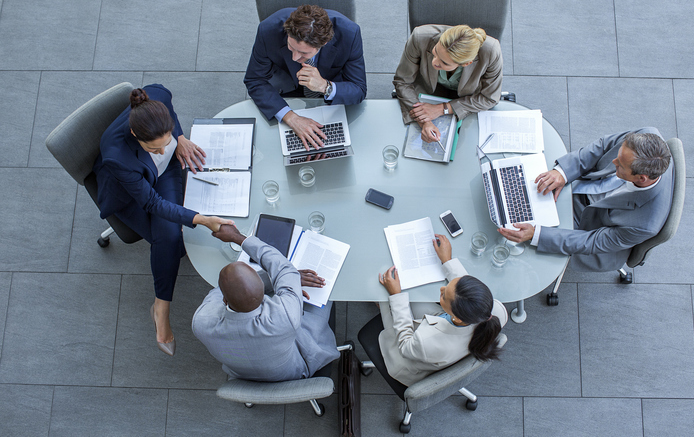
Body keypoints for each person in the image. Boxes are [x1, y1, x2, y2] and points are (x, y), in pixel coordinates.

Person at [93, 84, 234, 356]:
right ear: (136, 135)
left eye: (165, 142)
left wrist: (178, 139)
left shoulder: (157, 97)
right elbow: (151, 203)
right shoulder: (117, 156)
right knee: (170, 239)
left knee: (174, 240)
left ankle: (160, 303)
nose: (161, 151)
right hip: (130, 194)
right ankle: (161, 308)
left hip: (164, 173)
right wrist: (202, 220)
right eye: (154, 148)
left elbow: (168, 110)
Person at [499, 127, 674, 272]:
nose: (613, 162)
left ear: (641, 178)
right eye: (618, 156)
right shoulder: (646, 136)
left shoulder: (644, 224)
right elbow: (604, 146)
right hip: (584, 187)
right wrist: (563, 173)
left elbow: (593, 241)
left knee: (517, 241)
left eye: (620, 165)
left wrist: (537, 234)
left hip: (593, 228)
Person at [192, 225, 339, 381]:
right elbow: (284, 268)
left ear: (224, 300)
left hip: (242, 375)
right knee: (328, 289)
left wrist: (284, 281)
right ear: (263, 292)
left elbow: (221, 290)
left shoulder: (200, 322)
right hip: (295, 370)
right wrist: (238, 237)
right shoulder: (284, 316)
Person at [374, 234, 507, 387]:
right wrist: (447, 260)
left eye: (443, 295)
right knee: (411, 297)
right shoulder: (494, 310)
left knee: (385, 293)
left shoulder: (426, 342)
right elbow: (465, 290)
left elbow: (405, 345)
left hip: (408, 355)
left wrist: (396, 296)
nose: (442, 288)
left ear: (456, 317)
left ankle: (381, 304)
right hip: (442, 329)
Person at [244, 4, 367, 151]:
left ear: (324, 43)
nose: (295, 57)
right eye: (291, 47)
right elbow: (255, 80)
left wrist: (325, 86)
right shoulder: (267, 30)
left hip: (331, 98)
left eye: (304, 54)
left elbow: (359, 89)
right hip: (286, 91)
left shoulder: (350, 34)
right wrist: (290, 117)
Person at [393, 24, 503, 143]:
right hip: (427, 92)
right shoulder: (419, 37)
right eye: (435, 52)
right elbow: (403, 81)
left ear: (466, 63)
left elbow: (490, 98)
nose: (434, 63)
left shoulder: (491, 52)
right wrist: (424, 121)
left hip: (467, 99)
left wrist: (443, 109)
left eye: (444, 63)